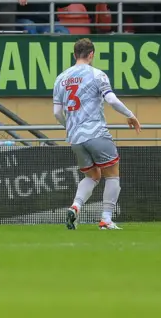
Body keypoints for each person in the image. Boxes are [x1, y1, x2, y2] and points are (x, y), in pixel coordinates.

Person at [53, 38, 141, 230]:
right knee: (112, 175)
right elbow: (111, 99)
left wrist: (70, 128)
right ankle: (106, 219)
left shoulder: (61, 78)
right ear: (91, 54)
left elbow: (57, 113)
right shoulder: (97, 75)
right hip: (96, 132)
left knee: (92, 176)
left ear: (74, 54)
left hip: (75, 137)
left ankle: (75, 206)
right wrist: (130, 114)